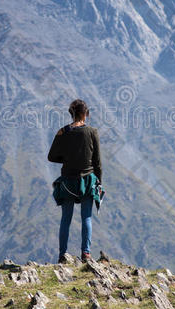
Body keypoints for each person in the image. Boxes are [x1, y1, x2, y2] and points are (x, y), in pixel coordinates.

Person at [47, 99, 102, 263]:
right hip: (87, 180)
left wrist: (67, 159)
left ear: (72, 113)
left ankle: (62, 255)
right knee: (86, 217)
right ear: (85, 114)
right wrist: (99, 182)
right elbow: (97, 162)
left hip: (67, 181)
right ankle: (86, 254)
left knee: (66, 219)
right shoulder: (92, 132)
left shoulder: (63, 132)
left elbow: (51, 156)